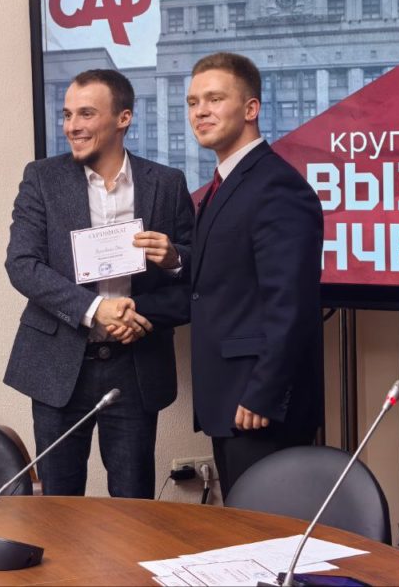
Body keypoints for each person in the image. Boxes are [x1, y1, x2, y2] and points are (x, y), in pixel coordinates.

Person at [135, 52, 324, 496]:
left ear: (251, 108)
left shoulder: (275, 186)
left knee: (266, 531)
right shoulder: (227, 183)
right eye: (193, 102)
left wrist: (264, 393)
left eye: (215, 99)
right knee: (241, 527)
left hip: (259, 406)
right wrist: (163, 275)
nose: (200, 111)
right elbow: (223, 282)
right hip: (231, 401)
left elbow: (291, 303)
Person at [4, 69, 194, 499]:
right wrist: (95, 310)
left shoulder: (166, 183)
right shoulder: (42, 178)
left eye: (86, 113)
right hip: (58, 362)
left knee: (133, 504)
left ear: (123, 118)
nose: (72, 126)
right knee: (59, 504)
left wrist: (173, 261)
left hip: (135, 366)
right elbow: (22, 265)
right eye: (67, 114)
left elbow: (195, 274)